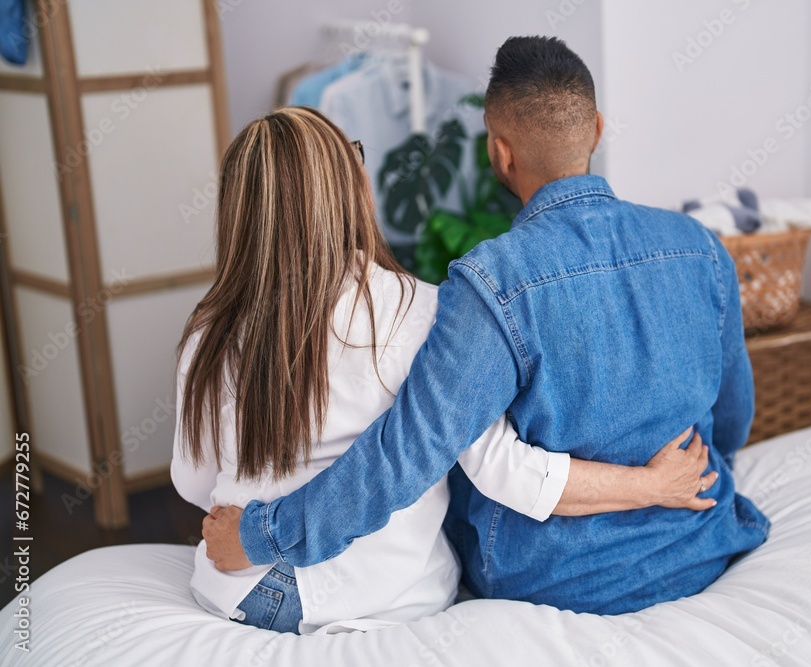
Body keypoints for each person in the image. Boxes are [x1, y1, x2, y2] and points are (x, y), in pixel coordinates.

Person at [204, 36, 770, 615]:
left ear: (500, 153)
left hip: (562, 580)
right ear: (597, 128)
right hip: (702, 540)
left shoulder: (490, 282)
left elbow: (404, 456)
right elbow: (732, 421)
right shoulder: (700, 247)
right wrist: (663, 484)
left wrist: (260, 536)